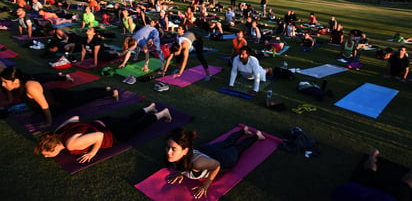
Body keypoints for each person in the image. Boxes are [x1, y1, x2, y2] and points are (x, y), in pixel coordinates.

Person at [34, 103, 171, 163]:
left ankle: (162, 113)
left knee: (137, 126)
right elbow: (75, 119)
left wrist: (92, 153)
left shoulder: (71, 145)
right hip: (102, 122)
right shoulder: (57, 132)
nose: (46, 157)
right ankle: (149, 108)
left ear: (54, 147)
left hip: (113, 134)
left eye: (47, 154)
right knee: (129, 120)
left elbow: (99, 136)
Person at [165, 126, 265, 199]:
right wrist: (180, 173)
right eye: (168, 147)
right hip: (207, 150)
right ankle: (244, 130)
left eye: (173, 149)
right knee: (227, 142)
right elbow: (182, 163)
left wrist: (205, 186)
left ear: (185, 151)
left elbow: (216, 165)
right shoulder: (174, 156)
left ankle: (257, 136)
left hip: (222, 159)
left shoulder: (197, 164)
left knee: (237, 148)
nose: (169, 152)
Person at [0, 67, 119, 127]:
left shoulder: (30, 87)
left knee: (85, 97)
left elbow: (45, 106)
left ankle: (111, 93)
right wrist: (8, 100)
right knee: (83, 94)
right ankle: (104, 90)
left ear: (15, 81)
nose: (2, 84)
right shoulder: (16, 84)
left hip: (60, 102)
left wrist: (48, 122)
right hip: (55, 96)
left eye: (5, 82)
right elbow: (10, 95)